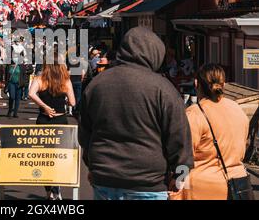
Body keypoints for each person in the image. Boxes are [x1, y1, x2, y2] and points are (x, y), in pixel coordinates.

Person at [79, 27, 194, 201]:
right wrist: (179, 177)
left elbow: (85, 133)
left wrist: (92, 166)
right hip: (148, 182)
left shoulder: (97, 84)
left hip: (104, 177)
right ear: (155, 54)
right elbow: (179, 138)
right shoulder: (163, 89)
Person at [170, 64, 250, 200]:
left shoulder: (195, 114)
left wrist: (175, 187)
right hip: (237, 185)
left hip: (202, 188)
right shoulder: (237, 109)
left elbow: (183, 157)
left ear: (196, 83)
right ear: (223, 84)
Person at [29, 55, 76, 200]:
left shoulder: (40, 79)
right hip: (60, 120)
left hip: (44, 119)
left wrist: (44, 106)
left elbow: (31, 93)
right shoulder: (65, 81)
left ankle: (48, 190)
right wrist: (65, 101)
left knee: (44, 156)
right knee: (59, 156)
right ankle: (57, 188)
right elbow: (73, 103)